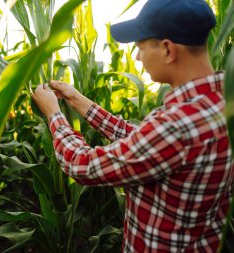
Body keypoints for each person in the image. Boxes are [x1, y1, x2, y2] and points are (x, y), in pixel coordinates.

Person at [32, 0, 234, 252]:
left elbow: (81, 164)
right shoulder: (220, 104)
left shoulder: (177, 125)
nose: (137, 57)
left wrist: (54, 113)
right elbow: (142, 143)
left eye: (140, 47)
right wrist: (76, 99)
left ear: (168, 50)